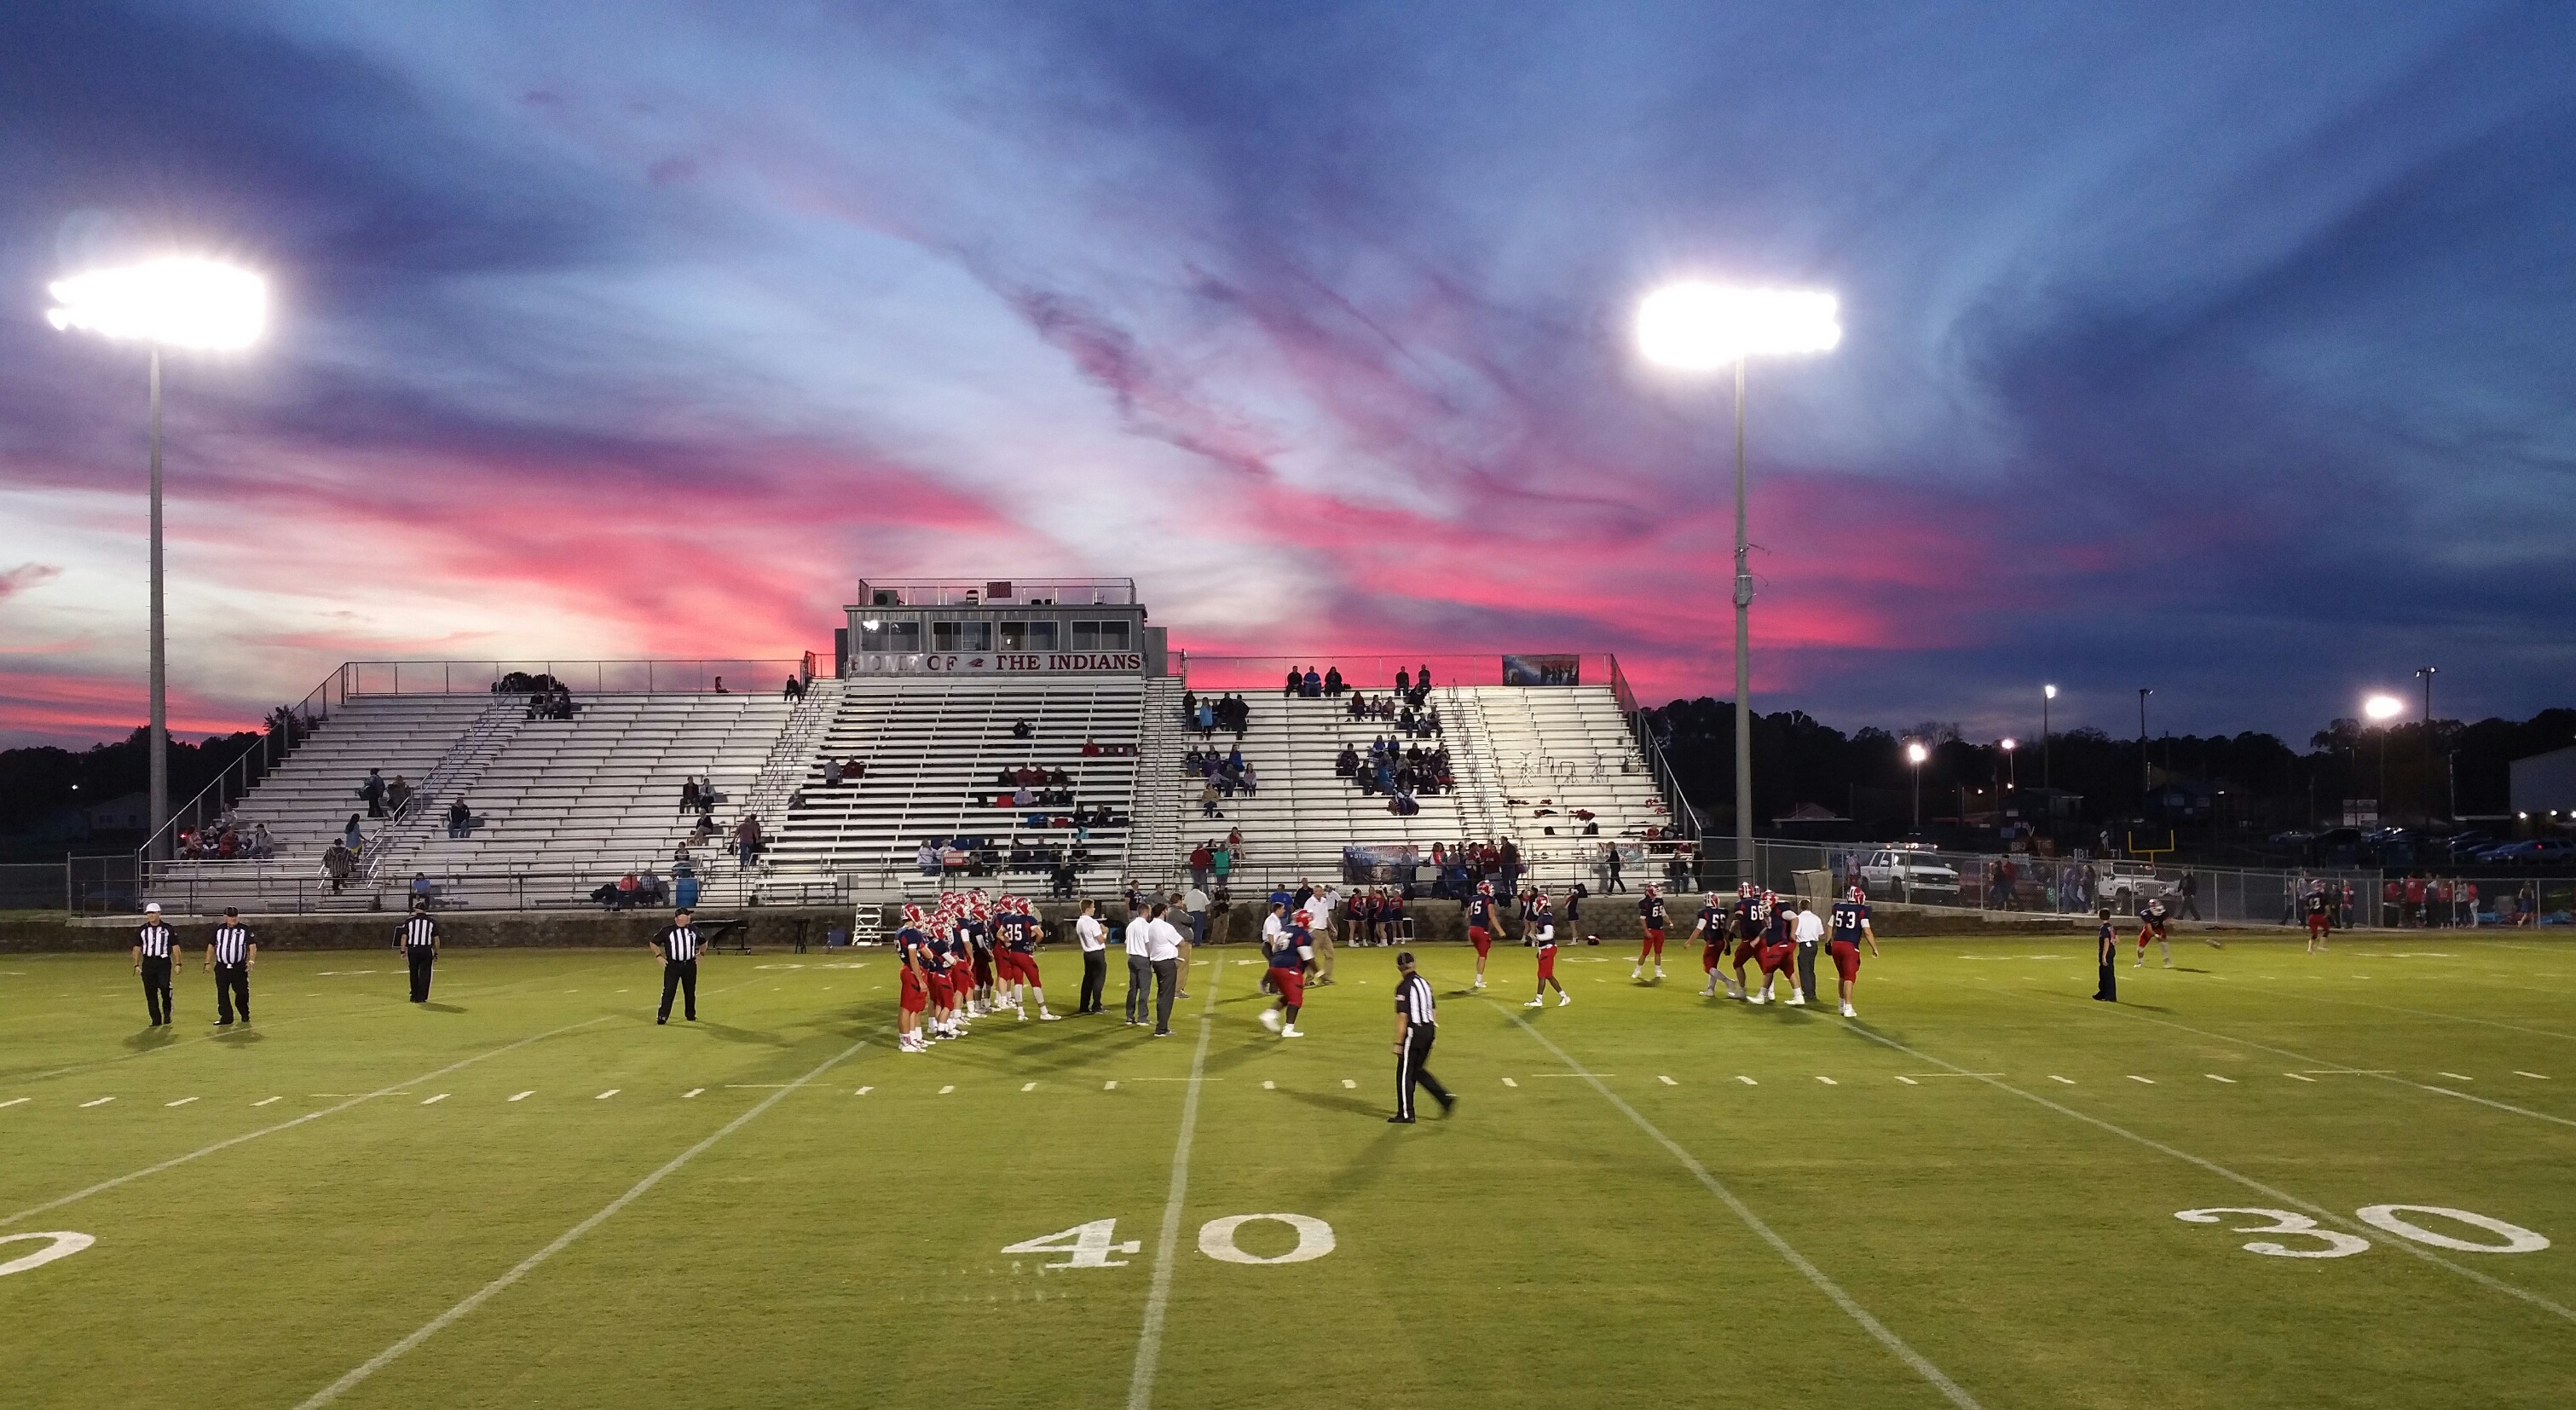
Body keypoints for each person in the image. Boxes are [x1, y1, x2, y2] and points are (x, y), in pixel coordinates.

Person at [1389, 951, 1453, 1124]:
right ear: (1414, 965)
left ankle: (1406, 1113)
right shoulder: (1425, 983)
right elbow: (1433, 1009)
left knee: (1404, 1074)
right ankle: (1445, 1098)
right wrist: (1432, 1034)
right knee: (1416, 1071)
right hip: (1429, 1029)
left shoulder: (1403, 986)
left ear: (1399, 968)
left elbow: (1403, 1016)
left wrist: (1398, 1042)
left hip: (1414, 1032)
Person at [992, 895, 1058, 1021]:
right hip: (1024, 954)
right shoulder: (1029, 919)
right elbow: (1040, 934)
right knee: (1035, 983)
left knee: (1018, 983)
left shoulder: (1007, 919)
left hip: (1013, 954)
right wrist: (1034, 944)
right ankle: (1044, 1012)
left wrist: (1010, 942)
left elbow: (999, 934)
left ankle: (1020, 1013)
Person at [1259, 905, 1313, 1038]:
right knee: (1296, 999)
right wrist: (1318, 972)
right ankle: (1288, 1028)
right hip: (1289, 968)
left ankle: (1269, 1015)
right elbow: (1308, 957)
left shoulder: (1287, 929)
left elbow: (1277, 948)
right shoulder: (1303, 935)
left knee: (1289, 995)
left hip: (1275, 966)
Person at [1827, 886, 1880, 1017]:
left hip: (1837, 944)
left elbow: (1829, 926)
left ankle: (1841, 1005)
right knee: (1849, 978)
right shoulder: (1861, 911)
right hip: (1849, 946)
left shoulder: (1838, 907)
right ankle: (1848, 1008)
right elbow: (1867, 931)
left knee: (1842, 976)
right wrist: (1874, 948)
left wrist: (1828, 941)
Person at [652, 907, 703, 1024]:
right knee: (669, 990)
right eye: (687, 915)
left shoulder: (693, 930)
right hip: (673, 965)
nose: (689, 917)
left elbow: (703, 942)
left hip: (690, 964)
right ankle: (663, 1015)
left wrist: (702, 953)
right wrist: (658, 955)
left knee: (690, 991)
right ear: (679, 917)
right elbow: (654, 942)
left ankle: (690, 1014)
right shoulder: (668, 931)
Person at [205, 907, 255, 1026]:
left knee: (242, 992)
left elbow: (252, 945)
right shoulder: (219, 930)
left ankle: (244, 1013)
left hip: (238, 967)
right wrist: (207, 962)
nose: (233, 918)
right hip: (222, 967)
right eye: (230, 916)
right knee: (222, 993)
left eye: (235, 916)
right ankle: (226, 1017)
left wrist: (251, 961)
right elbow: (211, 945)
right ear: (225, 917)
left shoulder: (244, 929)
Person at [1146, 903, 1186, 1037]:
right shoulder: (1165, 927)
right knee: (1166, 996)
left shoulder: (1150, 926)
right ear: (1163, 912)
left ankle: (1161, 1025)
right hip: (1166, 963)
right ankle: (1162, 1028)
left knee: (1162, 994)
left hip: (1156, 961)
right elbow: (1181, 942)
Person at [134, 901, 176, 1027]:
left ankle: (167, 1010)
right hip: (148, 962)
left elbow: (175, 946)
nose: (151, 915)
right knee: (150, 992)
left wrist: (178, 963)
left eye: (153, 913)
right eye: (149, 913)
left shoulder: (168, 929)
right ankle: (155, 1019)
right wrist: (136, 964)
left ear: (159, 914)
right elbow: (137, 947)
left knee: (164, 987)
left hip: (163, 961)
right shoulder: (142, 930)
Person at [1522, 891, 1568, 1008]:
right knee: (1548, 975)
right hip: (1546, 948)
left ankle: (1539, 999)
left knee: (1542, 975)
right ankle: (1564, 996)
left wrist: (1536, 937)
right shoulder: (1545, 917)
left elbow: (1549, 935)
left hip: (1548, 948)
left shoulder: (1545, 918)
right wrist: (1539, 950)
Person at [1692, 890, 1739, 999]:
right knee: (1713, 966)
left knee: (1708, 967)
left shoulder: (1704, 913)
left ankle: (1728, 981)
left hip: (1712, 941)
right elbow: (1725, 930)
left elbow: (1699, 929)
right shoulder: (1723, 912)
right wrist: (1728, 944)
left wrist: (1689, 942)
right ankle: (1710, 990)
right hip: (1721, 941)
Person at [397, 898, 440, 1003]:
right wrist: (436, 952)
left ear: (416, 910)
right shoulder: (432, 922)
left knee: (414, 972)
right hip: (426, 949)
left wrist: (403, 951)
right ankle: (422, 996)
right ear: (425, 910)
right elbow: (436, 939)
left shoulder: (409, 921)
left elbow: (404, 937)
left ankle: (414, 995)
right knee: (425, 973)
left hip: (413, 949)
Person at [1075, 899, 1110, 1014]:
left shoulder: (1079, 922)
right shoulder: (1092, 922)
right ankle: (1097, 1005)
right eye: (1093, 907)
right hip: (1097, 953)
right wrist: (1105, 932)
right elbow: (1101, 940)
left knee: (1087, 980)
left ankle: (1084, 1006)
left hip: (1087, 953)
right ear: (1088, 909)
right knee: (1098, 980)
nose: (1094, 909)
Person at [1123, 903, 1154, 1027]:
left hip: (1132, 958)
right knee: (1144, 989)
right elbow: (1148, 944)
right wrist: (1151, 957)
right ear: (1146, 913)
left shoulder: (1131, 926)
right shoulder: (1146, 926)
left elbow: (1127, 942)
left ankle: (1129, 1016)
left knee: (1133, 989)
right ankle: (1142, 1017)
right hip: (1142, 959)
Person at [1464, 880, 1499, 991]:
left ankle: (1479, 978)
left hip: (1472, 929)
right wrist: (1500, 930)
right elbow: (1492, 916)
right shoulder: (1488, 899)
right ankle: (1478, 980)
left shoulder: (1473, 899)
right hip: (1481, 930)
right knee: (1483, 955)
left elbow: (1467, 915)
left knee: (1480, 954)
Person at [1792, 897, 1827, 1007]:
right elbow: (1821, 932)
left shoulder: (1799, 918)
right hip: (1814, 945)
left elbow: (1796, 933)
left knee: (1804, 969)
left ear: (1800, 907)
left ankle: (1808, 993)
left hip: (1805, 944)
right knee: (1811, 969)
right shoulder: (1816, 918)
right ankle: (1812, 991)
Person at [1302, 883, 1338, 985]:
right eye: (1317, 891)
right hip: (1314, 931)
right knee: (1311, 957)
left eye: (1320, 891)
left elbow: (1326, 916)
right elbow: (1305, 917)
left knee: (1330, 954)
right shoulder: (1309, 902)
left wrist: (1332, 928)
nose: (1319, 893)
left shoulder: (1324, 901)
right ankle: (1309, 978)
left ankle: (1326, 977)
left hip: (1324, 931)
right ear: (1314, 892)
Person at [1632, 884, 1668, 982]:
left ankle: (1658, 971)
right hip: (1651, 929)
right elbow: (1642, 919)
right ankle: (1637, 970)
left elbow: (1663, 913)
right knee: (1645, 952)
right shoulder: (1646, 903)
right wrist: (1646, 931)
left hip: (1659, 929)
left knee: (1658, 952)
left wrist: (1670, 922)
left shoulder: (1660, 901)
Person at [2135, 896, 2172, 968]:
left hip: (2159, 928)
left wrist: (2171, 926)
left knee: (2164, 944)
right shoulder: (2146, 914)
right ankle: (2140, 962)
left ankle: (2167, 961)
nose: (2160, 911)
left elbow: (2169, 922)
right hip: (2149, 929)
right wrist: (2157, 936)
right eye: (2158, 909)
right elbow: (2149, 929)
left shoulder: (2164, 913)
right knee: (2140, 948)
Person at [2094, 906, 2119, 1003]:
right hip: (2111, 951)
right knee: (2104, 973)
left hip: (2107, 952)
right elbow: (2117, 940)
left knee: (2107, 974)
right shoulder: (2111, 927)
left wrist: (2104, 956)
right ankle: (2103, 993)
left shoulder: (2104, 929)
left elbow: (2106, 941)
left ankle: (2109, 995)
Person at [2304, 884, 2332, 953]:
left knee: (2314, 934)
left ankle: (2310, 948)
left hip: (2312, 916)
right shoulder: (2323, 896)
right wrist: (2328, 913)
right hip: (2320, 916)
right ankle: (2321, 946)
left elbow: (2305, 907)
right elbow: (2327, 907)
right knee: (2326, 930)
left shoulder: (2310, 895)